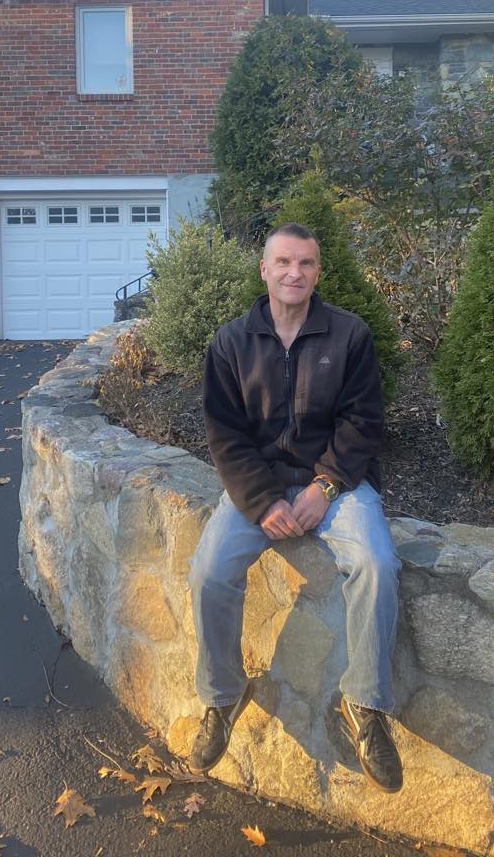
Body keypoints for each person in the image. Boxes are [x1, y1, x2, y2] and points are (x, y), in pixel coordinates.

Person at [187, 222, 403, 793]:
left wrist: (325, 487)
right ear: (264, 270)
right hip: (257, 486)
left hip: (336, 486)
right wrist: (261, 502)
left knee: (377, 564)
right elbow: (224, 434)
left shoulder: (349, 335)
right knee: (209, 571)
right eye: (283, 262)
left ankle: (366, 706)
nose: (294, 273)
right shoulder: (231, 342)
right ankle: (222, 697)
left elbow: (363, 423)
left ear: (317, 272)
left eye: (305, 263)